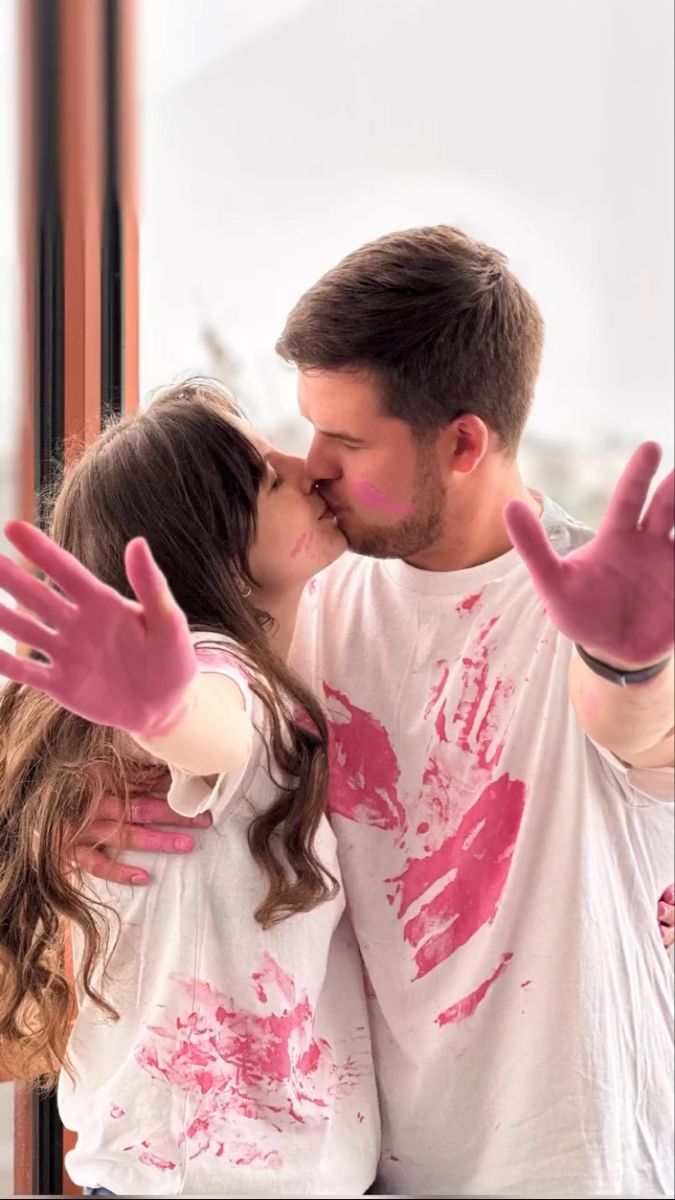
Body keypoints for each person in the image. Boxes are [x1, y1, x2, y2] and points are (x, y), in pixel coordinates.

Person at [77, 227, 673, 1198]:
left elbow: (638, 731)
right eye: (308, 428)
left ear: (464, 444)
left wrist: (632, 665)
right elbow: (210, 721)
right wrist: (90, 787)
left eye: (347, 442)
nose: (312, 466)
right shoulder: (312, 598)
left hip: (575, 1163)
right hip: (364, 1170)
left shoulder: (594, 605)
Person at [0, 383, 379, 1197]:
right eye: (260, 476)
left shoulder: (290, 665)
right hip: (207, 1178)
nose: (303, 468)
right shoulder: (228, 672)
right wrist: (166, 710)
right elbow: (216, 726)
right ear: (205, 542)